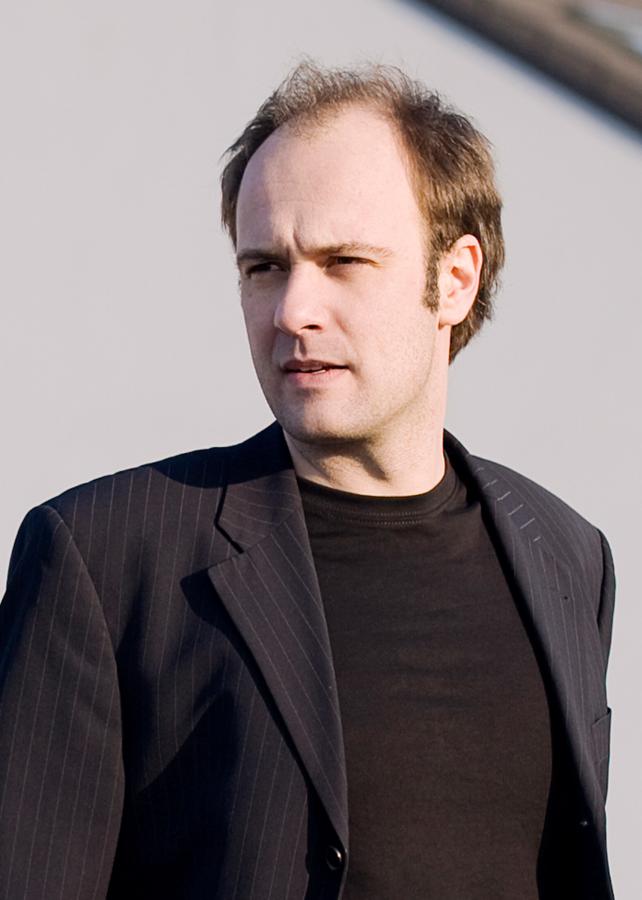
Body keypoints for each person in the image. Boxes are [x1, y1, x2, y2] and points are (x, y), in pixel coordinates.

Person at [0, 62, 615, 900]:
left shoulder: (568, 557)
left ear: (455, 278)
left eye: (344, 261)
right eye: (264, 268)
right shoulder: (105, 559)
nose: (293, 311)